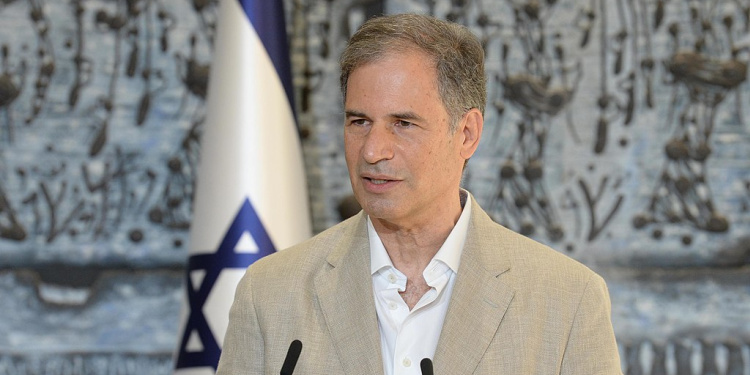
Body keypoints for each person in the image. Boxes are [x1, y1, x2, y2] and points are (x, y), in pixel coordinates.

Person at [216, 13, 622, 375]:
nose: (373, 151)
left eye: (403, 124)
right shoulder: (269, 294)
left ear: (467, 134)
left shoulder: (567, 300)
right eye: (359, 121)